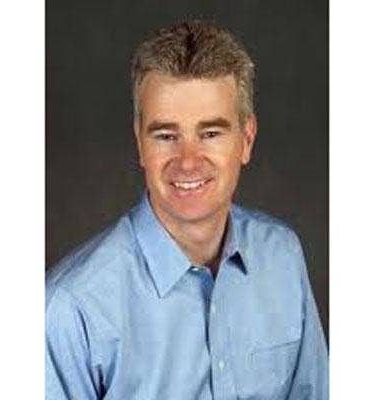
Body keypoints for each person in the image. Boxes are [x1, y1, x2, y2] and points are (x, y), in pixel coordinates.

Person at [46, 20, 328, 400]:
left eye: (210, 133)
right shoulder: (71, 309)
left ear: (246, 140)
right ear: (139, 142)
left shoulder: (282, 257)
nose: (188, 161)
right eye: (166, 135)